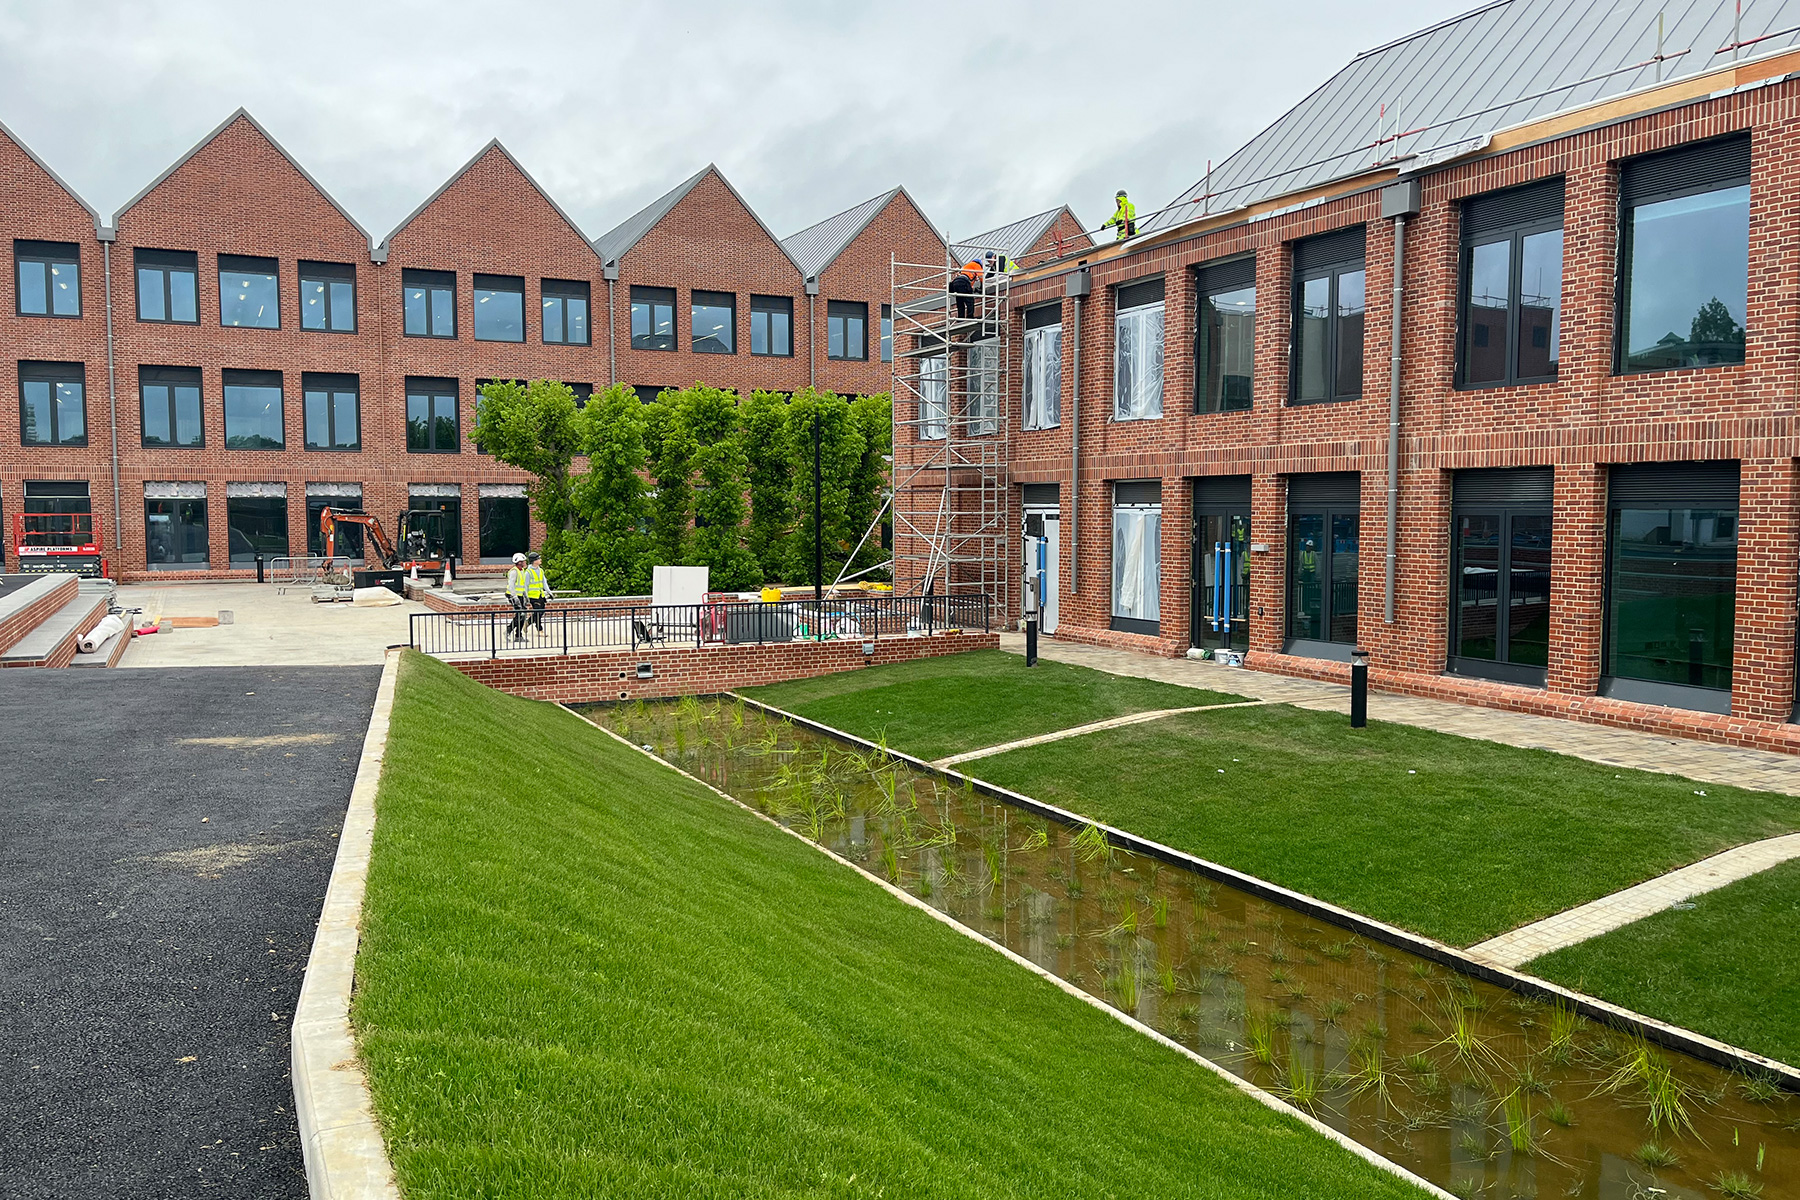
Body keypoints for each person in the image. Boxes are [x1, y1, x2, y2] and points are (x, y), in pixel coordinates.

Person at [524, 551, 552, 632]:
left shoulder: (540, 570)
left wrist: (549, 592)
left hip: (540, 595)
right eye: (538, 558)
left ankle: (528, 622)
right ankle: (540, 629)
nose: (540, 559)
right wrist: (526, 597)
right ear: (534, 561)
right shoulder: (528, 572)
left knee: (541, 611)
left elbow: (544, 582)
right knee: (538, 612)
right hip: (532, 596)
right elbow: (525, 585)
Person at [505, 552, 528, 641]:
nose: (525, 562)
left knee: (523, 615)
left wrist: (525, 595)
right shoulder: (514, 571)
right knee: (520, 614)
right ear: (519, 562)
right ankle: (508, 630)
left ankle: (518, 635)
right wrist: (515, 597)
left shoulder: (522, 571)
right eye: (524, 561)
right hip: (513, 595)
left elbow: (522, 585)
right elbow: (511, 586)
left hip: (520, 595)